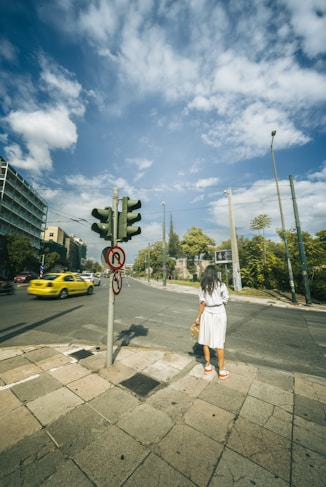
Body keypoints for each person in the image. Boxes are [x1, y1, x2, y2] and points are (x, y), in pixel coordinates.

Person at [195, 265, 230, 379]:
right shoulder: (221, 285)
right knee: (219, 342)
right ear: (215, 273)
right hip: (220, 313)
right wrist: (219, 306)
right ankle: (221, 371)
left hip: (206, 314)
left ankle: (208, 366)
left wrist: (198, 317)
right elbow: (225, 299)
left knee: (206, 340)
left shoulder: (203, 286)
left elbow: (202, 303)